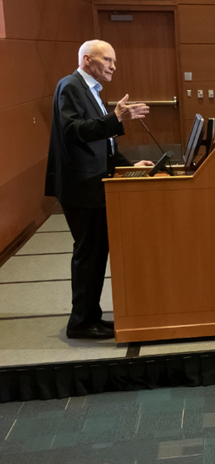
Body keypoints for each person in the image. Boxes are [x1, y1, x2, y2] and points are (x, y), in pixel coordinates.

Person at [45, 40, 154, 339]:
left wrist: (132, 166)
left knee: (95, 252)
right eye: (107, 60)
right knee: (88, 252)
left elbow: (103, 145)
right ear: (86, 59)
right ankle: (80, 323)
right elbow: (73, 131)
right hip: (81, 187)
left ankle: (90, 316)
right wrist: (115, 119)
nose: (113, 66)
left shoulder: (90, 91)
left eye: (114, 61)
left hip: (93, 183)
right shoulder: (70, 86)